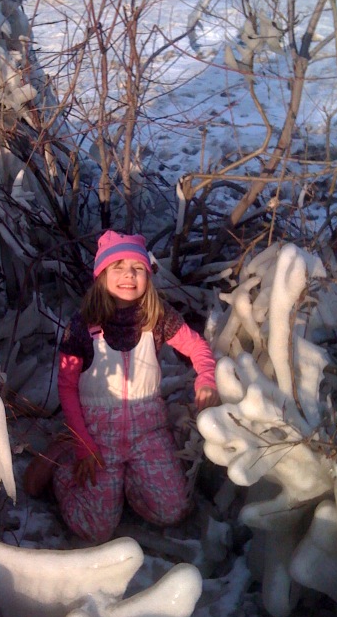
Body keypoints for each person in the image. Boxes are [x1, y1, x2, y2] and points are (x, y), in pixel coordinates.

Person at [24, 230, 219, 544]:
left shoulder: (157, 317)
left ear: (147, 277)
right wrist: (82, 442)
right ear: (102, 275)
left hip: (148, 432)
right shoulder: (81, 325)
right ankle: (64, 461)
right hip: (97, 436)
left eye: (137, 268)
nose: (129, 274)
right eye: (118, 266)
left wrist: (206, 380)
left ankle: (127, 481)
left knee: (173, 510)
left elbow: (198, 347)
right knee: (94, 529)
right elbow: (67, 386)